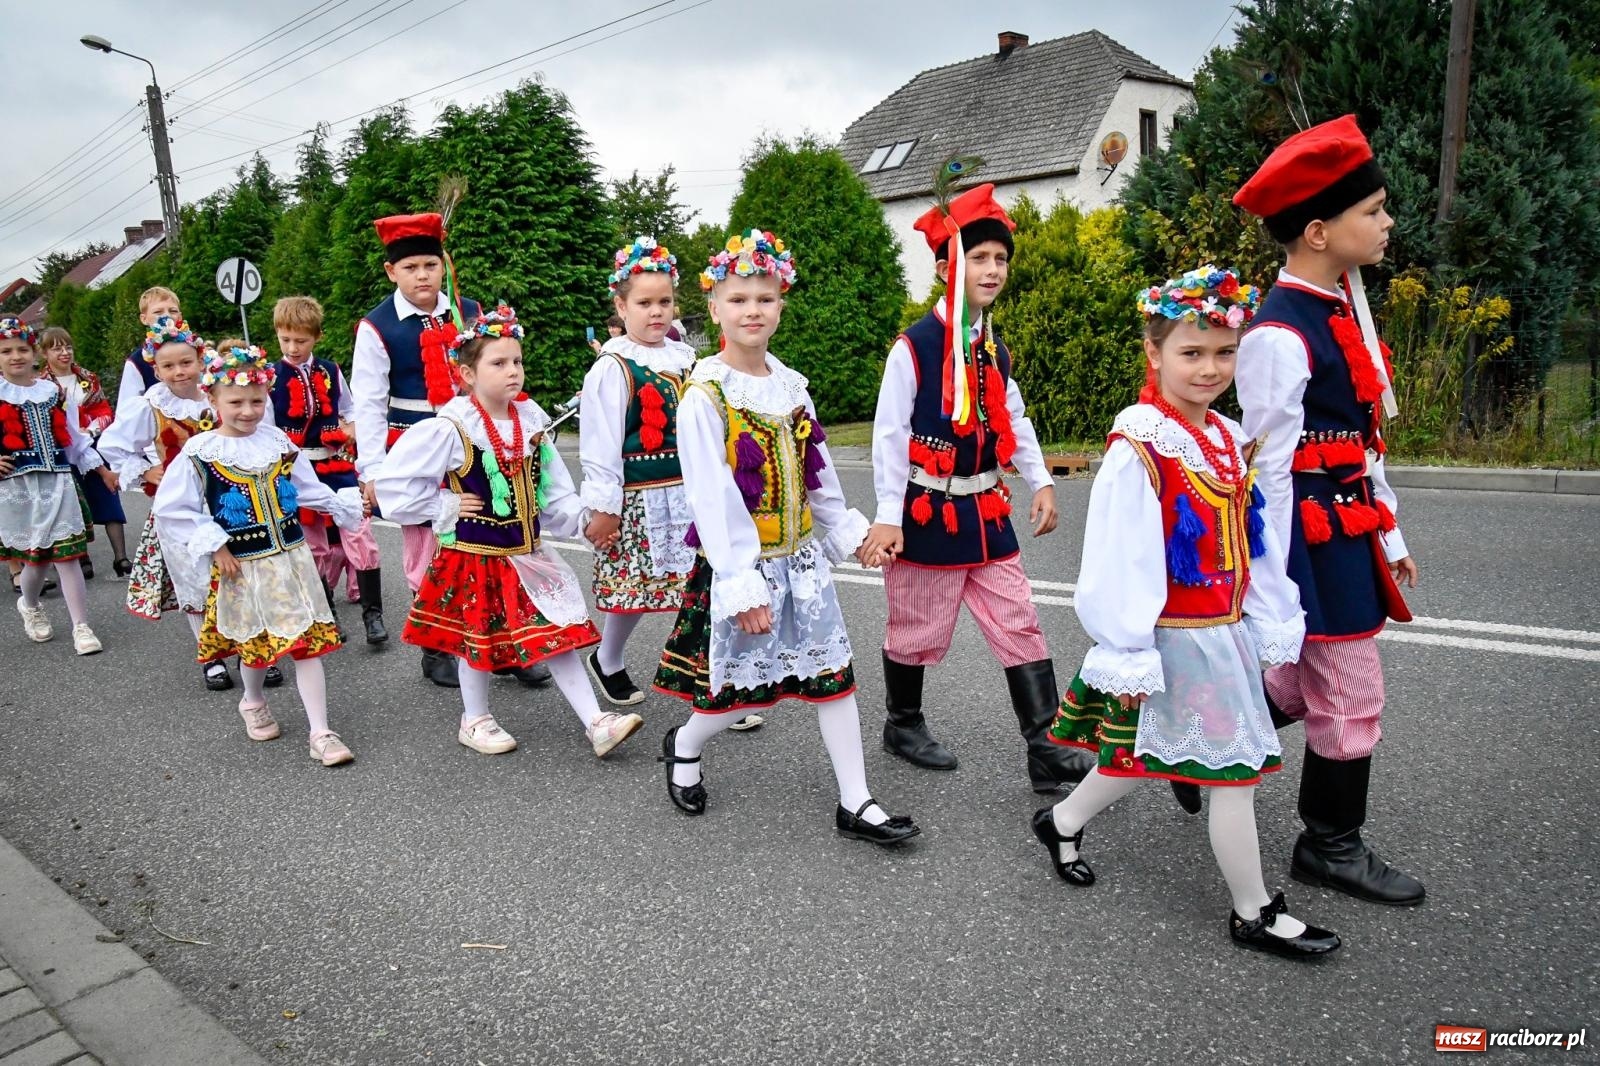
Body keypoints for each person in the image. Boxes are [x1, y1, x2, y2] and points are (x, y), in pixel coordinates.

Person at [1033, 267, 1340, 960]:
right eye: (1191, 352)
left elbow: (1254, 540)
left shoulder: (1226, 438)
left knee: (1136, 757)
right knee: (1235, 776)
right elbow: (1121, 558)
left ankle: (1061, 821)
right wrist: (1128, 647)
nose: (1209, 369)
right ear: (1154, 351)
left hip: (1222, 636)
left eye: (1225, 353)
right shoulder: (1140, 446)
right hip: (1171, 639)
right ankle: (1253, 912)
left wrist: (1269, 611)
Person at [653, 230, 919, 845]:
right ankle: (686, 742)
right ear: (714, 308)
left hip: (800, 562)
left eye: (765, 298)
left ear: (781, 305)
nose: (753, 310)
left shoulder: (792, 386)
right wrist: (740, 582)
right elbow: (711, 497)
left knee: (833, 678)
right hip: (745, 566)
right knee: (739, 690)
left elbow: (815, 469)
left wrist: (846, 530)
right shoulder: (705, 394)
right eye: (738, 299)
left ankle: (856, 801)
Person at [1231, 114, 1424, 906]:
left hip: (1347, 528)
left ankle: (1203, 743)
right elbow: (1268, 473)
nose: (1387, 222)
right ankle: (1329, 844)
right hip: (1307, 540)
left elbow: (1361, 441)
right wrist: (1271, 584)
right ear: (1318, 231)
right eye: (1372, 211)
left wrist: (1391, 530)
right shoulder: (1279, 334)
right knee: (1349, 690)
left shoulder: (1340, 305)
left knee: (1301, 681)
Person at [859, 174, 1090, 795]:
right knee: (916, 629)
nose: (992, 269)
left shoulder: (994, 348)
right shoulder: (914, 347)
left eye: (1000, 259)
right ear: (945, 269)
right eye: (978, 257)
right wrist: (888, 515)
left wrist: (1041, 480)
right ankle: (902, 724)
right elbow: (888, 433)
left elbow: (1015, 416)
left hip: (986, 512)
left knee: (1020, 622)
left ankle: (1046, 747)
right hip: (926, 513)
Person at [373, 306, 641, 758]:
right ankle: (475, 718)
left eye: (516, 361)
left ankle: (596, 721)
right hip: (475, 556)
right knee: (476, 640)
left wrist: (582, 522)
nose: (512, 370)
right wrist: (443, 505)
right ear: (467, 374)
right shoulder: (453, 427)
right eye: (498, 363)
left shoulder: (531, 422)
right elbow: (394, 486)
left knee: (558, 632)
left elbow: (553, 489)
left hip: (528, 554)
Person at [351, 211, 544, 690]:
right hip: (415, 444)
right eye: (410, 267)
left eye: (430, 265)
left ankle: (507, 643)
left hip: (477, 439)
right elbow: (369, 402)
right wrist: (373, 470)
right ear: (391, 271)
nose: (422, 275)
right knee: (430, 545)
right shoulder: (377, 327)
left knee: (495, 534)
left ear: (443, 265)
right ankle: (438, 646)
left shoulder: (469, 312)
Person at [153, 341, 365, 766]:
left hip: (292, 561)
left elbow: (305, 488)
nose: (248, 411)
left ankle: (321, 732)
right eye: (236, 402)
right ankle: (252, 699)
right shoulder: (200, 452)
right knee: (255, 644)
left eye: (256, 400)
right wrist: (215, 544)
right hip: (242, 566)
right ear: (213, 400)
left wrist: (344, 506)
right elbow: (172, 509)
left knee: (308, 645)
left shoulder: (278, 442)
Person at [578, 238, 702, 704]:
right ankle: (607, 657)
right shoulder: (613, 366)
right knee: (634, 589)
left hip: (692, 492)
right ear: (621, 306)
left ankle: (708, 681)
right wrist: (604, 507)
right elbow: (600, 444)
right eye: (644, 303)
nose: (657, 312)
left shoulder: (687, 360)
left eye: (664, 302)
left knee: (702, 588)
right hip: (638, 497)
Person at [98, 318, 230, 689]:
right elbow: (112, 445)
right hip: (179, 509)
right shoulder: (151, 406)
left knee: (236, 575)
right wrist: (145, 471)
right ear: (156, 370)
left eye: (186, 362)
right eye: (168, 366)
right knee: (193, 579)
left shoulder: (219, 396)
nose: (179, 371)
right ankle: (211, 655)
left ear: (201, 360)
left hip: (227, 501)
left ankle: (251, 648)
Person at [269, 295, 388, 646]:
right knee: (315, 547)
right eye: (285, 339)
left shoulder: (330, 371)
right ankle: (327, 614)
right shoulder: (270, 376)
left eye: (301, 340)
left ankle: (373, 616)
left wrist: (351, 429)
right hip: (295, 471)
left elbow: (352, 410)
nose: (293, 348)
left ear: (317, 337)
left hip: (336, 466)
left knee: (360, 536)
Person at [0, 317, 115, 654]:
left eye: (22, 349)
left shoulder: (52, 392)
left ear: (35, 354)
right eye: (6, 351)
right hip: (18, 487)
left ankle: (82, 626)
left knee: (68, 556)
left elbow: (74, 439)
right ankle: (30, 604)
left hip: (59, 482)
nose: (16, 356)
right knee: (35, 560)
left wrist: (102, 470)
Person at [40, 327, 129, 578]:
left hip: (92, 443)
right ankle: (83, 559)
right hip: (64, 448)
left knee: (108, 493)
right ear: (45, 353)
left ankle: (121, 557)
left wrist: (91, 429)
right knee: (75, 503)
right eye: (57, 348)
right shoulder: (42, 385)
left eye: (68, 347)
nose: (64, 352)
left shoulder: (88, 378)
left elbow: (104, 410)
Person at [113, 285, 182, 413]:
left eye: (173, 311)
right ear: (144, 319)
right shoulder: (137, 361)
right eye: (158, 312)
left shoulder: (195, 350)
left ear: (180, 316)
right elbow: (127, 408)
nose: (166, 316)